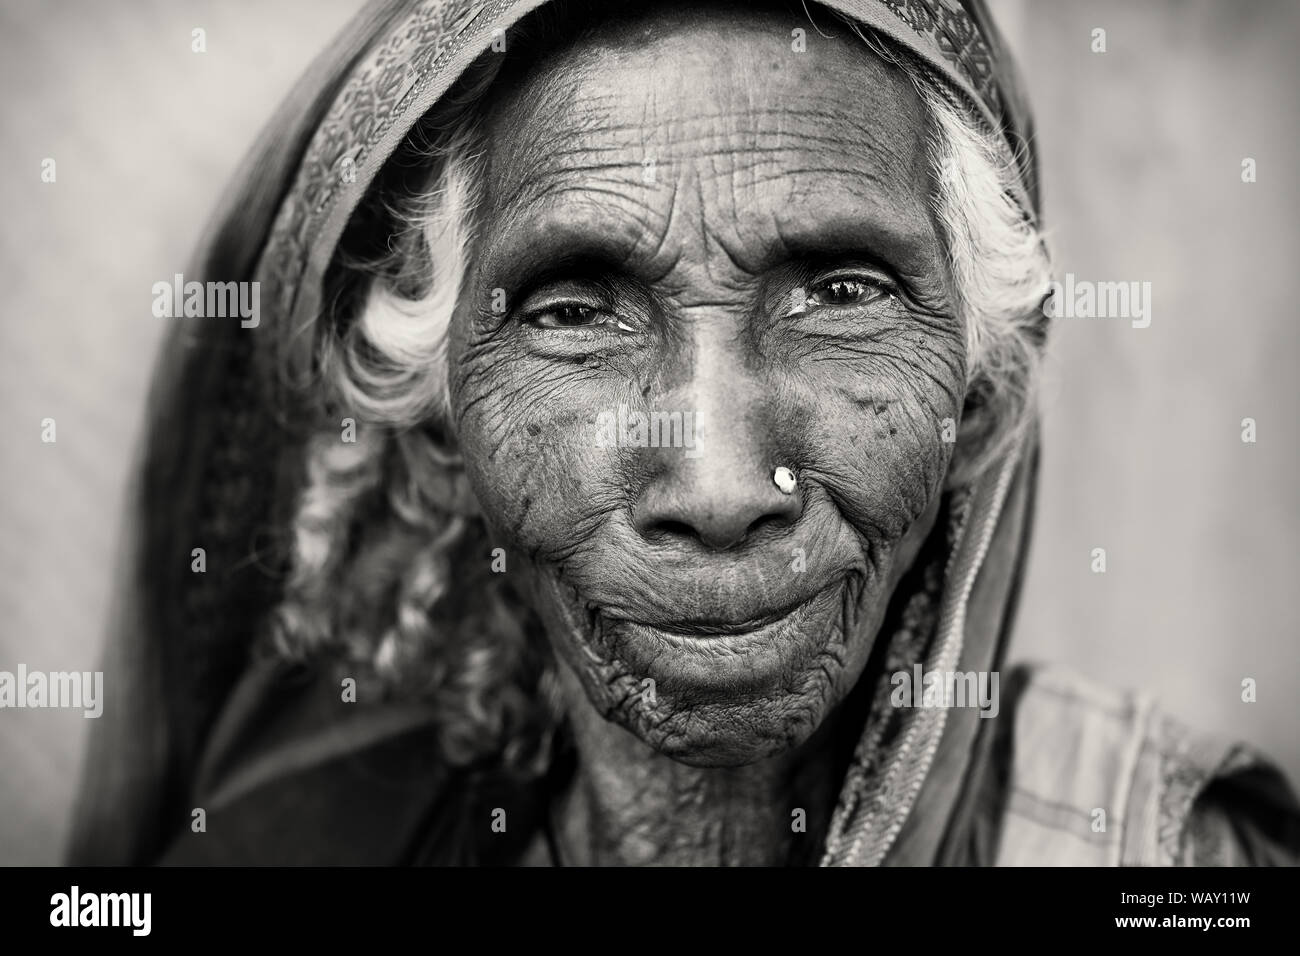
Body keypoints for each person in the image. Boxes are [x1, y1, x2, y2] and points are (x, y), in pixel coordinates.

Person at [69, 0, 1299, 866]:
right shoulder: (285, 846)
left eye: (839, 292)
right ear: (438, 427)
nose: (716, 483)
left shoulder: (1165, 855)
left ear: (976, 396)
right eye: (572, 311)